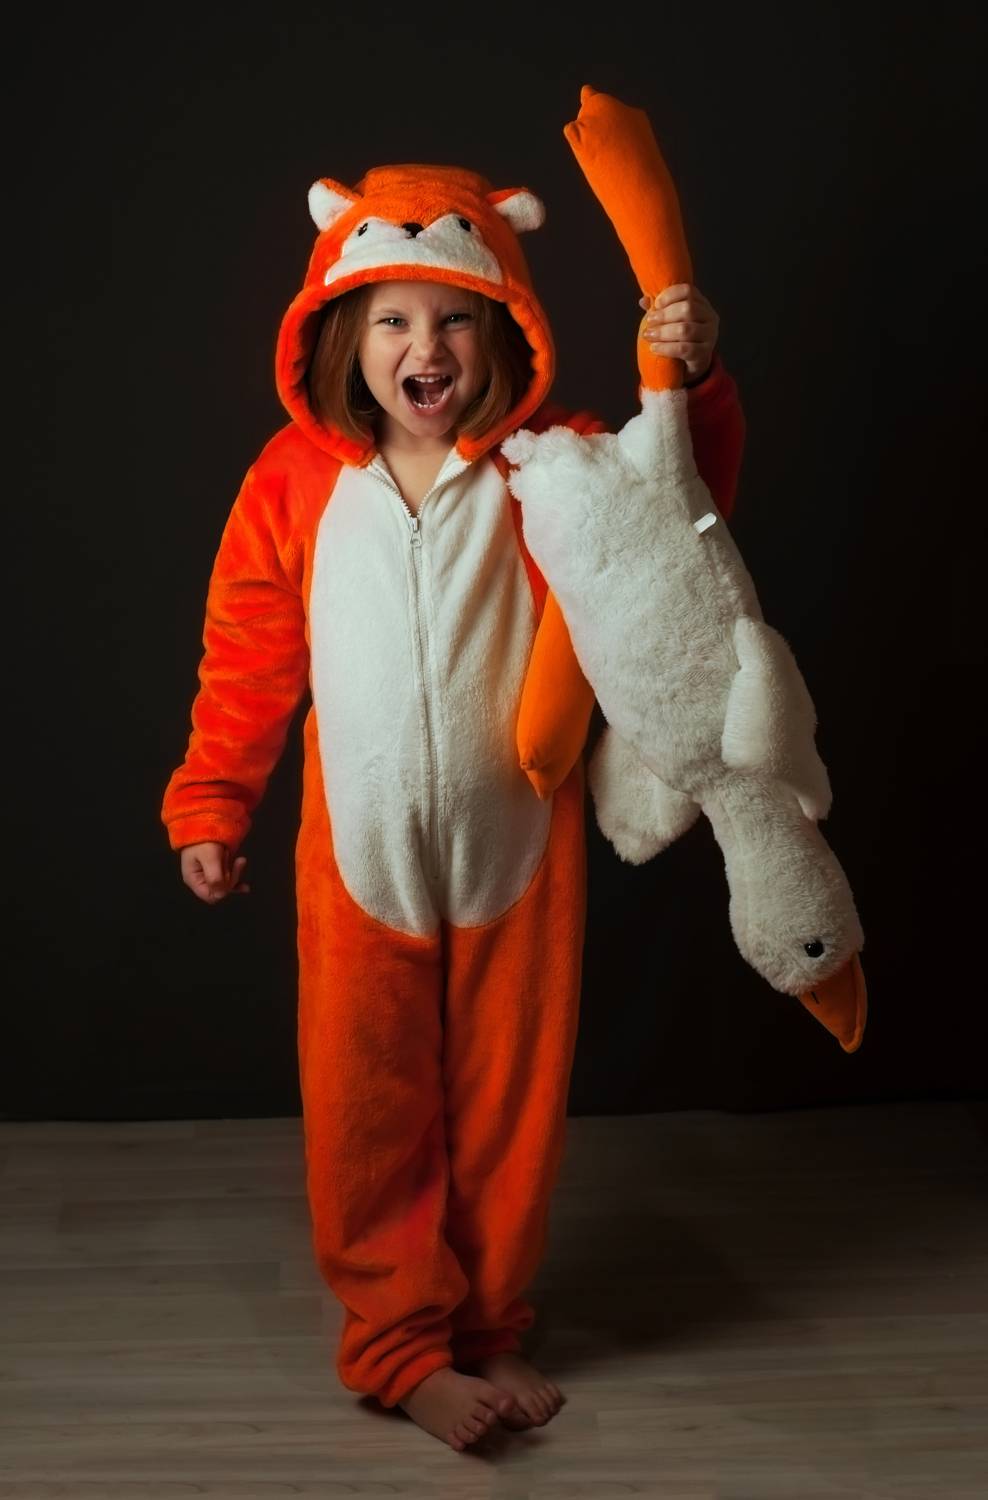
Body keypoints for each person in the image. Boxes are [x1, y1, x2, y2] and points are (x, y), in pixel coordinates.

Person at [161, 162, 746, 1453]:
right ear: (340, 331)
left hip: (515, 850)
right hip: (358, 858)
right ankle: (398, 1344)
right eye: (392, 319)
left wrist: (695, 379)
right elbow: (247, 651)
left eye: (455, 319)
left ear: (505, 329)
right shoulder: (293, 479)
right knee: (369, 1107)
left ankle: (485, 1321)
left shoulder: (554, 464)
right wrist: (212, 800)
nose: (423, 348)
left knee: (506, 1108)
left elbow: (680, 508)